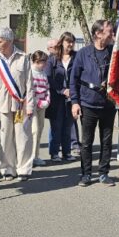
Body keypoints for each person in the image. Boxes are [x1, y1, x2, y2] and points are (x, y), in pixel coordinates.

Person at [70, 18, 117, 186]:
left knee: (107, 141)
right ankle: (86, 174)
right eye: (109, 31)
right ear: (98, 33)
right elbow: (73, 79)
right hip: (88, 103)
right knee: (87, 142)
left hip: (109, 104)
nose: (113, 34)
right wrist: (75, 102)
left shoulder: (115, 53)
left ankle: (104, 173)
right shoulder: (83, 53)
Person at [0, 26, 35, 181]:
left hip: (21, 106)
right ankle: (7, 169)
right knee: (5, 139)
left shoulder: (23, 57)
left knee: (23, 138)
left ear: (9, 41)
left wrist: (29, 106)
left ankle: (23, 169)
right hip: (2, 106)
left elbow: (30, 84)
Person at [47, 31, 78, 162]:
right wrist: (62, 90)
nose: (70, 44)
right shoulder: (53, 59)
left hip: (72, 97)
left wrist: (73, 91)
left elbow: (79, 75)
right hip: (57, 98)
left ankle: (67, 153)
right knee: (57, 126)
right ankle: (54, 153)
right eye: (68, 41)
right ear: (62, 42)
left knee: (68, 126)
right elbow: (49, 78)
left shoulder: (77, 57)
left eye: (72, 42)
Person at [30, 50, 51, 167]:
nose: (45, 64)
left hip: (42, 105)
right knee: (34, 131)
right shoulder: (31, 73)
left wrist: (47, 101)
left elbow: (47, 89)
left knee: (40, 130)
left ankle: (36, 156)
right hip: (33, 106)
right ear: (37, 61)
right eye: (43, 62)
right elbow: (30, 90)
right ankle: (31, 157)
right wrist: (38, 102)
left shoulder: (43, 73)